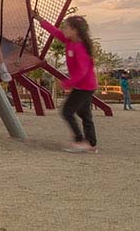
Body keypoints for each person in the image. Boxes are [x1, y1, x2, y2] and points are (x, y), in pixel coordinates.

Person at [33, 11, 98, 153]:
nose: (64, 29)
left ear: (75, 31)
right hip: (82, 86)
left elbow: (83, 71)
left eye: (66, 27)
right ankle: (91, 144)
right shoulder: (69, 41)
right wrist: (40, 19)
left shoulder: (80, 48)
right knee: (84, 114)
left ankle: (80, 141)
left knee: (67, 111)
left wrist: (66, 83)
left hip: (85, 87)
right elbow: (54, 31)